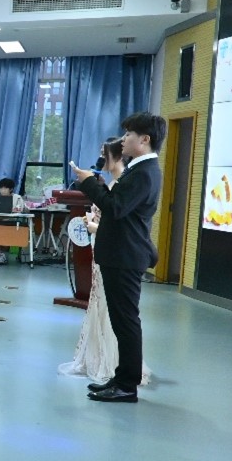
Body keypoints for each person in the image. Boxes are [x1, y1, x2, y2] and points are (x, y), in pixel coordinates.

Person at [71, 112, 165, 404]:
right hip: (121, 254)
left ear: (144, 139)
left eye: (128, 135)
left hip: (126, 256)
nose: (123, 140)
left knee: (125, 322)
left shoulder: (144, 172)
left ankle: (127, 385)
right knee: (121, 321)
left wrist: (89, 182)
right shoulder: (140, 169)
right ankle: (122, 377)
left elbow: (115, 207)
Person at [60, 140, 152, 388]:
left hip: (117, 253)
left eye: (105, 154)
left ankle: (114, 366)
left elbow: (121, 220)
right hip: (104, 250)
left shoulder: (127, 181)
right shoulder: (114, 182)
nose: (101, 158)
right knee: (102, 307)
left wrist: (95, 226)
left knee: (116, 314)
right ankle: (103, 360)